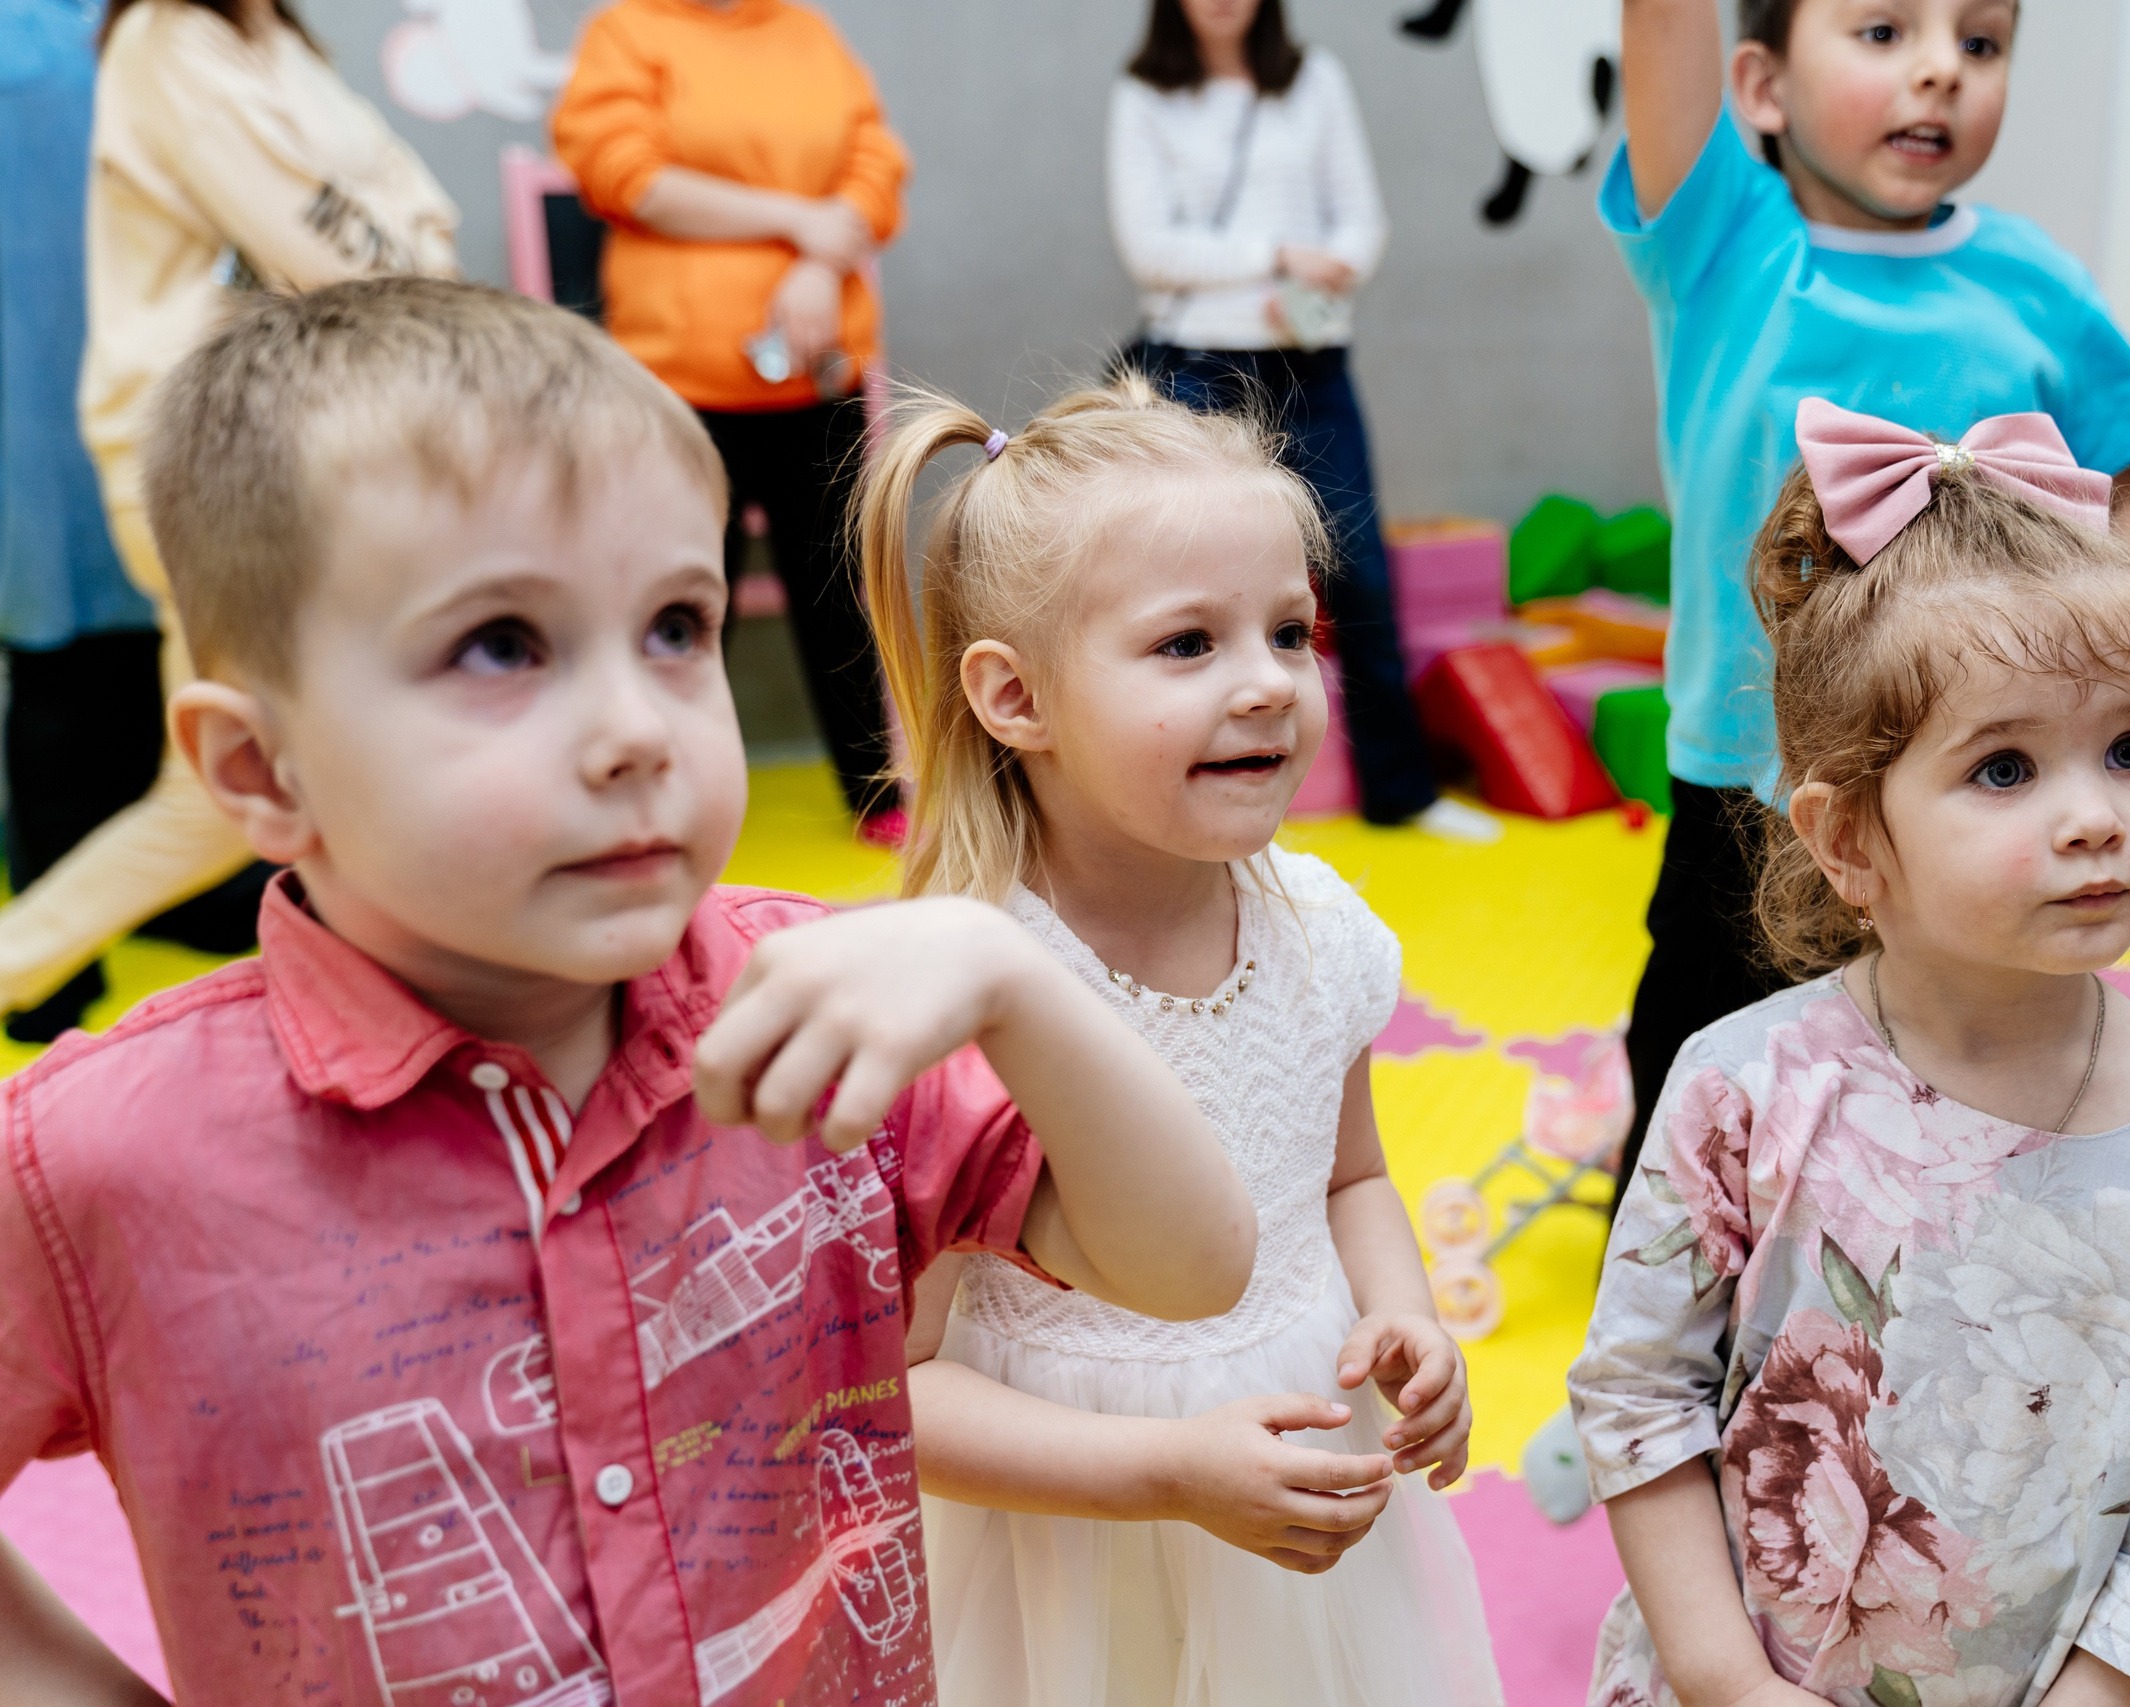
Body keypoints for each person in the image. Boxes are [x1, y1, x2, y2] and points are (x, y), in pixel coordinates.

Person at [0, 278, 1257, 1705]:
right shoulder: (99, 1156)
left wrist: (1013, 976)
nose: (635, 730)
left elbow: (1194, 1269)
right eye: (501, 645)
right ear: (259, 770)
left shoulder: (823, 1015)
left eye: (675, 627)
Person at [1569, 401, 2130, 1707]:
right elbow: (1640, 1393)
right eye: (2004, 768)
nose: (2093, 816)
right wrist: (1724, 1679)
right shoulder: (1743, 1087)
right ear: (1847, 837)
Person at [861, 381, 1503, 1704]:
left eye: (1289, 631)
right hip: (1068, 1558)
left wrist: (1403, 1314)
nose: (1267, 682)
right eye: (1187, 643)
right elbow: (891, 1387)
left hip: (1305, 1515)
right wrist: (1165, 1471)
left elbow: (1349, 1176)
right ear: (1016, 696)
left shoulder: (1321, 930)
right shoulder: (963, 995)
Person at [1603, 0, 2130, 1207]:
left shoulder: (2032, 279)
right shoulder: (1725, 242)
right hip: (1753, 787)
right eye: (1882, 33)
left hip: (1994, 777)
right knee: (1702, 1096)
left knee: (1968, 1078)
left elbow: (2129, 487)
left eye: (1979, 43)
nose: (1939, 72)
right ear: (1761, 88)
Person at [0, 0, 459, 1025]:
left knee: (221, 795)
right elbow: (342, 255)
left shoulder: (275, 39)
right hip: (207, 443)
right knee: (305, 748)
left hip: (290, 435)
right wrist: (408, 252)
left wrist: (405, 249)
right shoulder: (168, 38)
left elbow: (420, 207)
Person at [1111, 0, 1496, 844]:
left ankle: (1401, 790)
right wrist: (1280, 255)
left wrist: (1332, 266)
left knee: (1357, 569)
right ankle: (1189, 793)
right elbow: (1150, 249)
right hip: (1196, 362)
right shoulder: (1145, 93)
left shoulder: (1313, 78)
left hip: (1308, 358)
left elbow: (1362, 220)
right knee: (1191, 579)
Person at [553, 0, 909, 843]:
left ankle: (877, 794)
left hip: (820, 376)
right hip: (681, 386)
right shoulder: (627, 32)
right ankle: (653, 793)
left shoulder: (805, 31)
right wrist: (796, 220)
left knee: (839, 589)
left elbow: (876, 164)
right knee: (671, 599)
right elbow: (625, 176)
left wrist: (821, 261)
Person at [0, 0, 159, 1043]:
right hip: (30, 378)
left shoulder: (152, 25)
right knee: (58, 665)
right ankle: (51, 953)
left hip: (147, 373)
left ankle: (174, 897)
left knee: (167, 650)